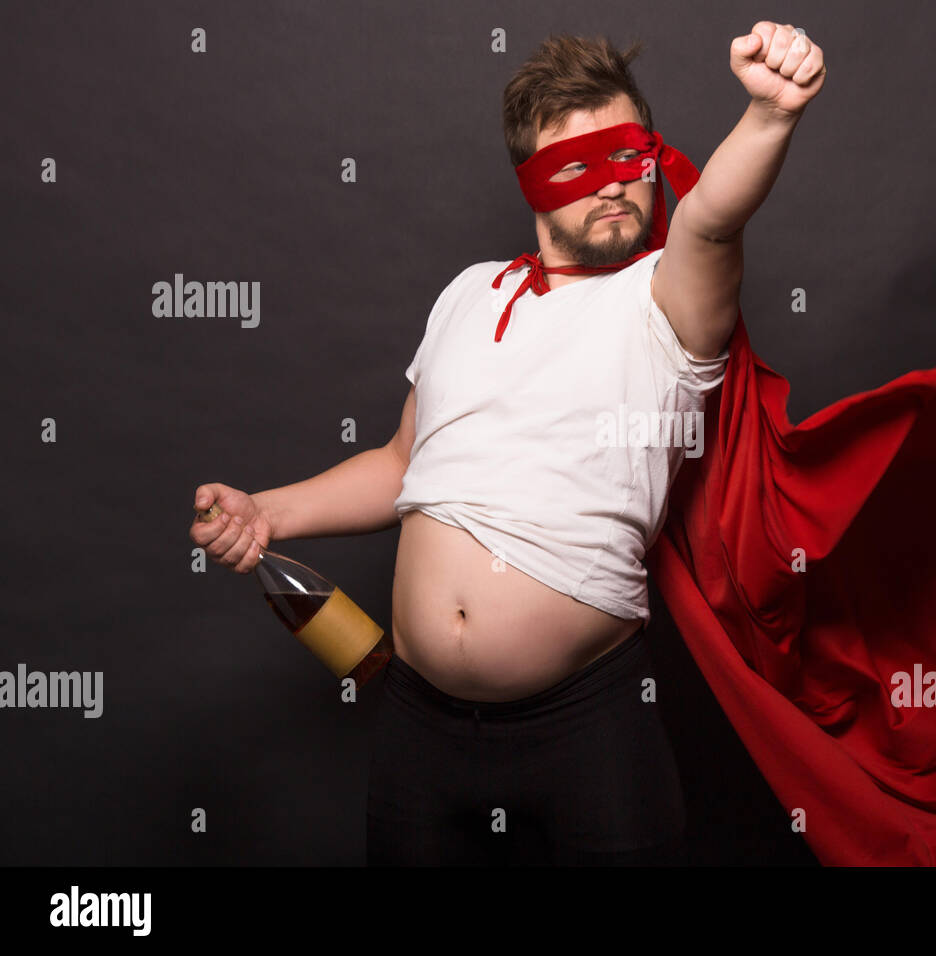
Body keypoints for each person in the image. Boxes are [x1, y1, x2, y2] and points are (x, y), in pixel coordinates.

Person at [188, 24, 827, 866]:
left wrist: (770, 113)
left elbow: (710, 219)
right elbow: (397, 465)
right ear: (530, 180)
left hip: (587, 730)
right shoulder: (467, 293)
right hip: (419, 729)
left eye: (628, 160)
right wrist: (267, 511)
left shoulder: (664, 298)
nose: (613, 189)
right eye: (576, 167)